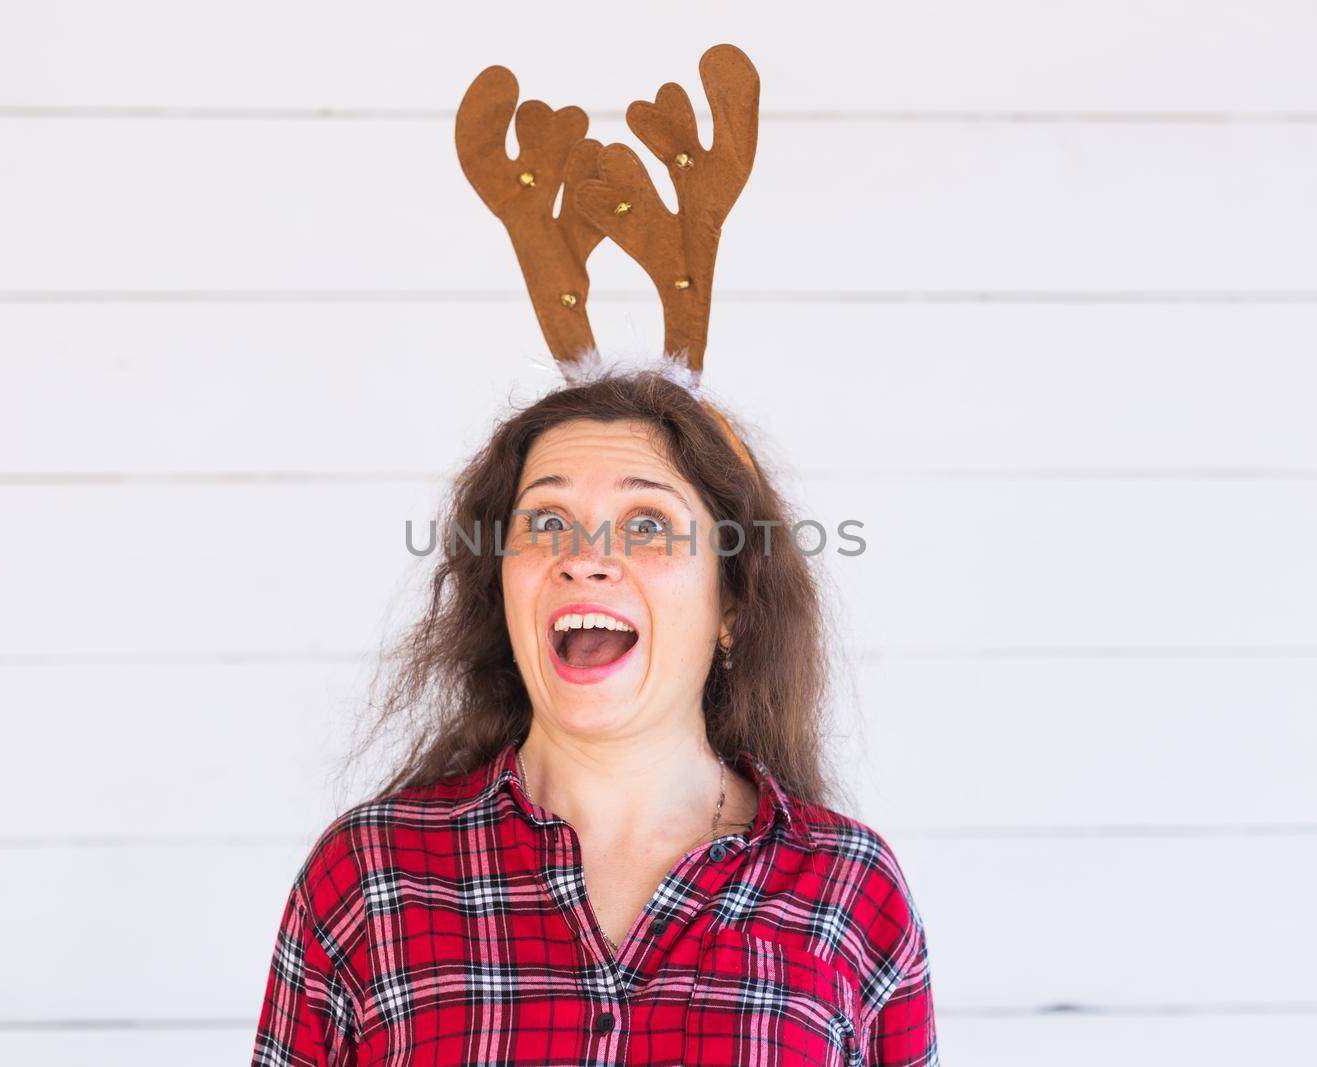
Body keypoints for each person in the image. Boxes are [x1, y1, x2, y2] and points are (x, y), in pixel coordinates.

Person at [251, 44, 938, 1067]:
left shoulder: (849, 893)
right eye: (545, 521)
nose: (586, 557)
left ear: (733, 602)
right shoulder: (372, 876)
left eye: (649, 525)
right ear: (504, 585)